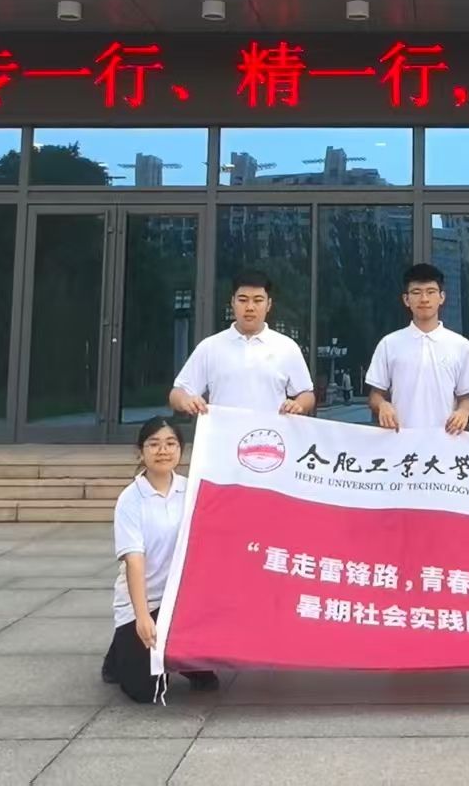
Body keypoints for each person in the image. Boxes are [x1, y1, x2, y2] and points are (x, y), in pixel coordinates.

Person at [101, 417, 218, 701]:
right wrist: (142, 618)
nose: (163, 451)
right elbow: (134, 561)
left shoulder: (192, 490)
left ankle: (175, 654)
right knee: (145, 692)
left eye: (170, 443)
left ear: (180, 450)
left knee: (208, 680)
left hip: (183, 602)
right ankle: (120, 652)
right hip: (146, 602)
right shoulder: (131, 500)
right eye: (154, 444)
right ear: (141, 452)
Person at [169, 272, 315, 419]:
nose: (250, 307)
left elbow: (306, 394)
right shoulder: (210, 347)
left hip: (270, 432)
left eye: (258, 300)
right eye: (243, 300)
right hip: (223, 432)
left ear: (269, 305)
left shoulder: (286, 347)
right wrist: (185, 401)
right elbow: (177, 392)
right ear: (233, 302)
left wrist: (298, 405)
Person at [367, 263, 469, 432]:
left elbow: (466, 397)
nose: (424, 299)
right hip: (401, 439)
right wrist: (382, 405)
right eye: (416, 292)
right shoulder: (389, 344)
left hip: (446, 439)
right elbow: (375, 395)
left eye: (431, 292)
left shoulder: (460, 345)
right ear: (406, 299)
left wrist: (463, 412)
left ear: (442, 297)